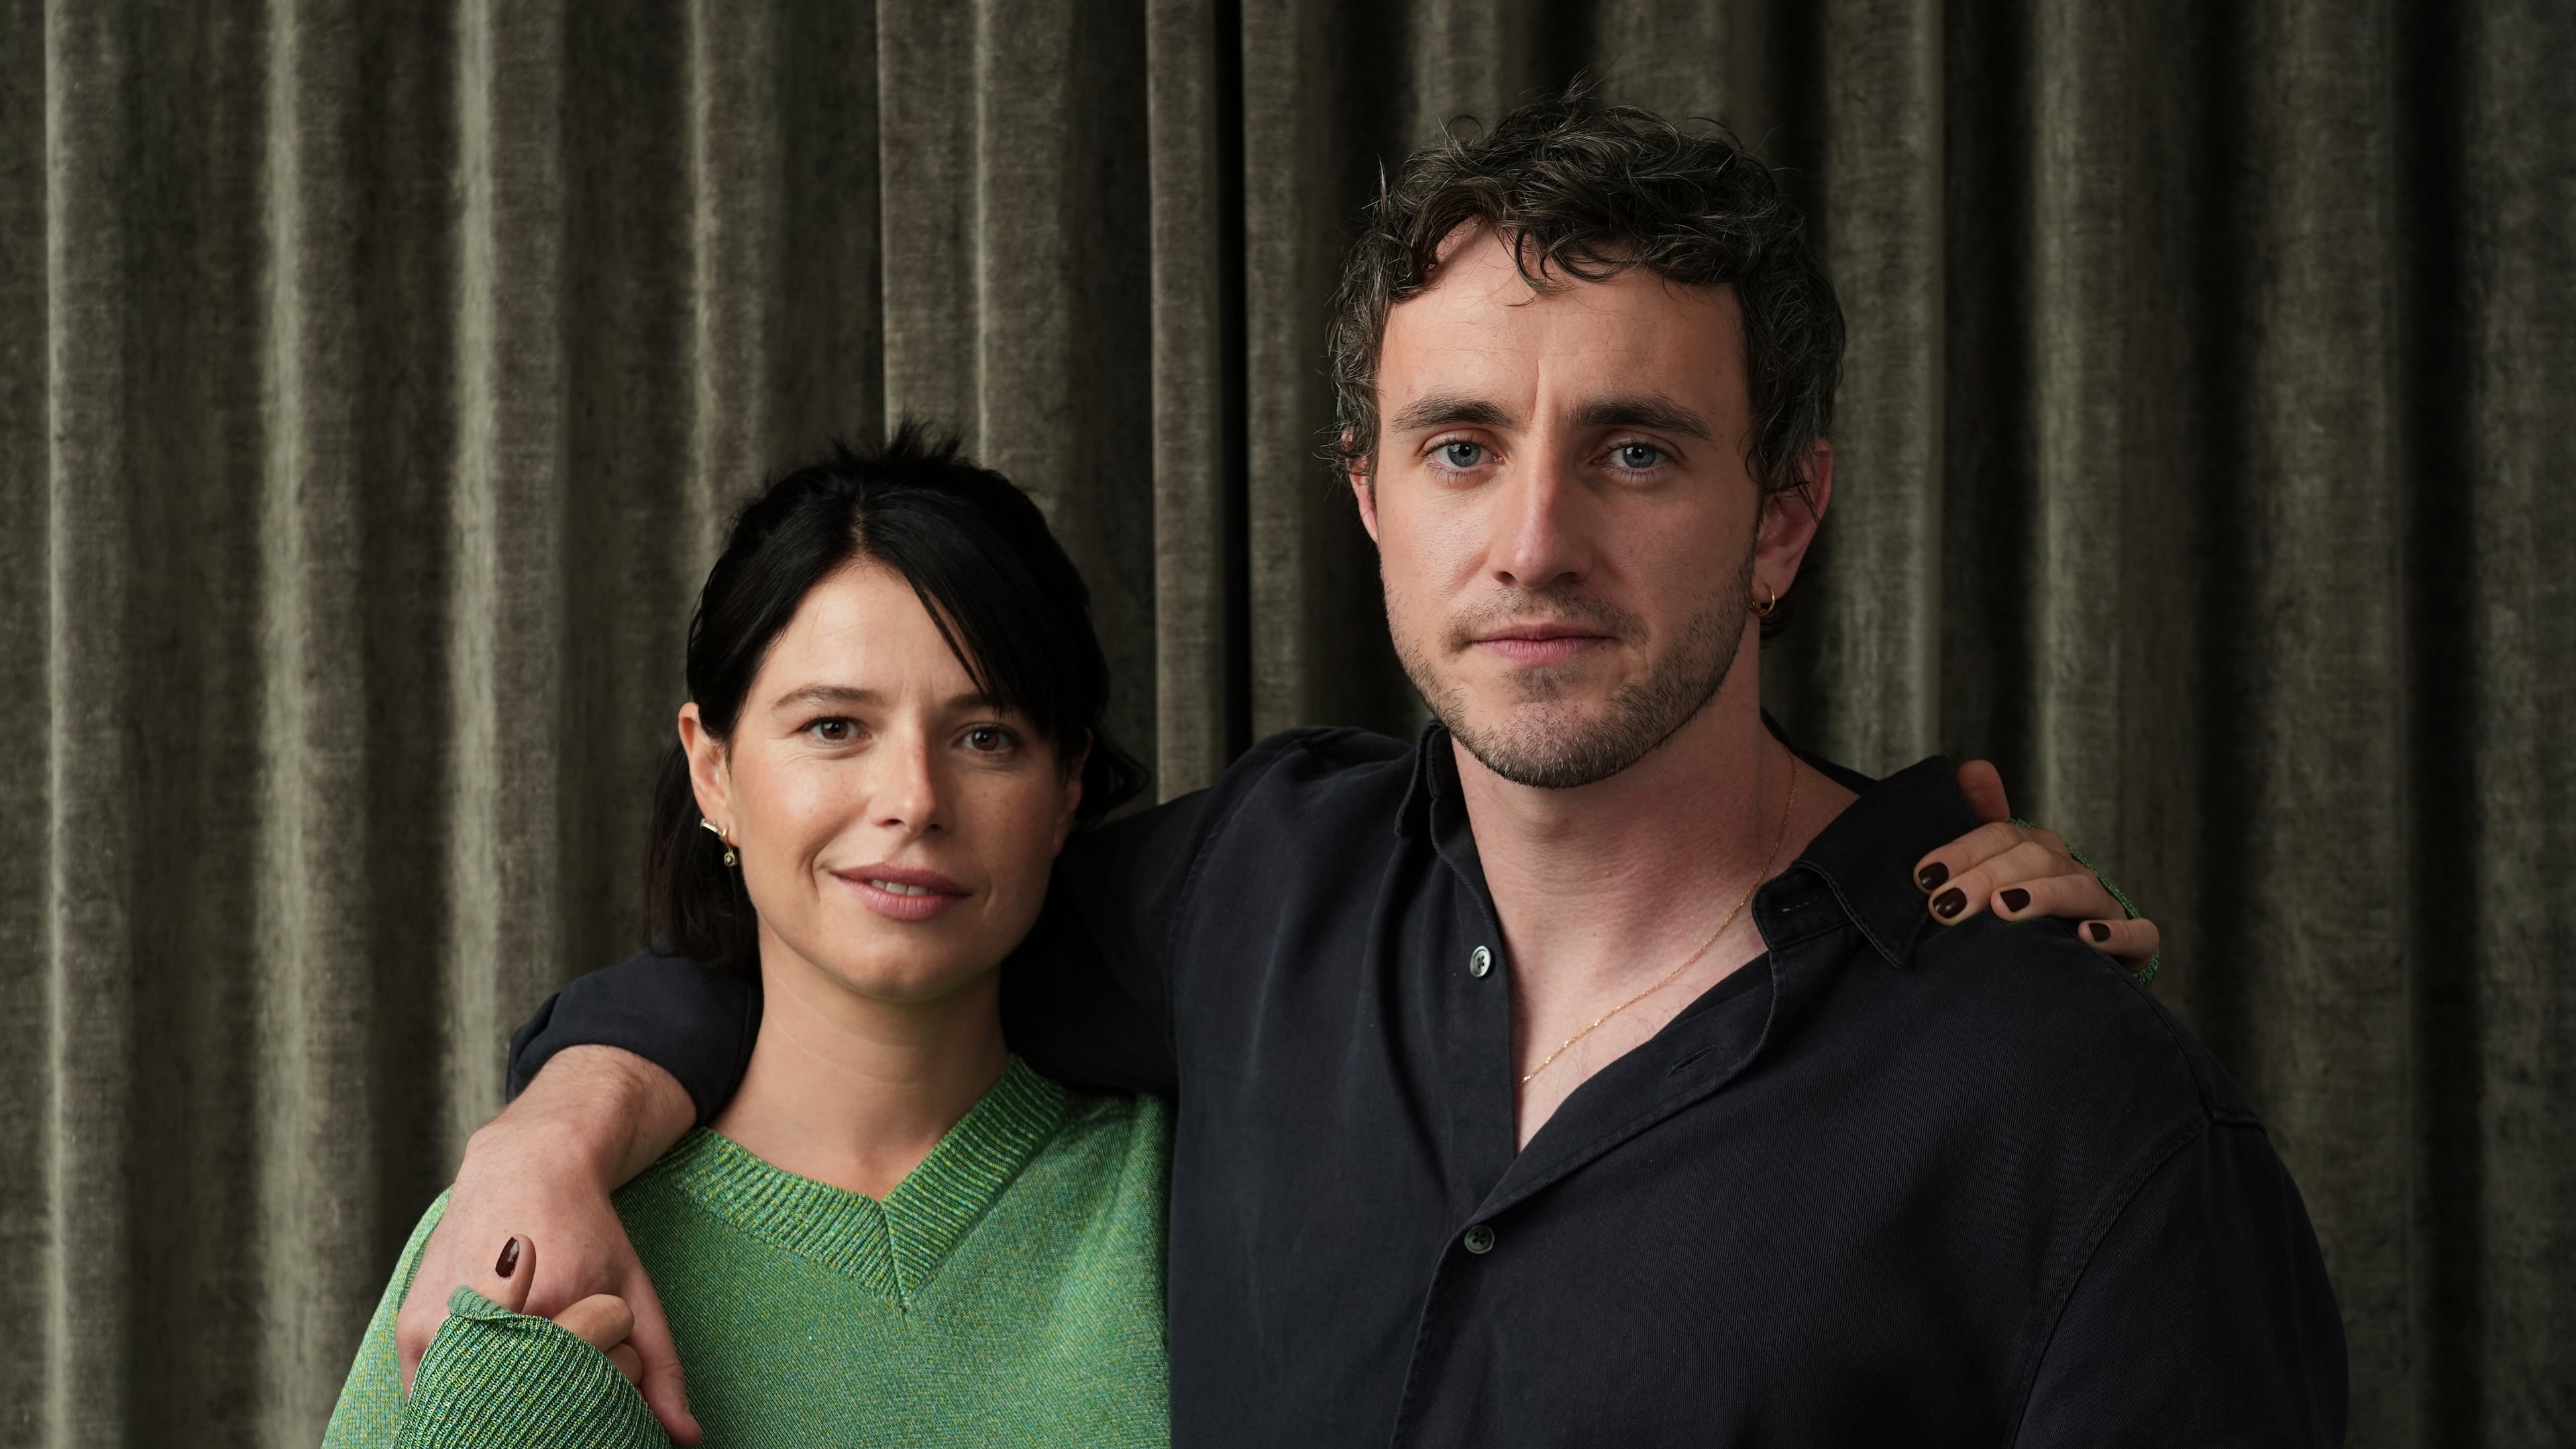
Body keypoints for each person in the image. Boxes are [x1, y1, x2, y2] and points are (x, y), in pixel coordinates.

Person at [398, 92, 2346, 1446]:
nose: (1534, 541)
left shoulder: (2081, 1117)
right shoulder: (1255, 893)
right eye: (1464, 446)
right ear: (1370, 504)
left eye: (1641, 450)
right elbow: (853, 927)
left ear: (1787, 516)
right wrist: (552, 1128)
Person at [323, 431, 1171, 1446]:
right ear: (713, 772)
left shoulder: (1190, 1194)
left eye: (986, 737)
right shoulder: (529, 1236)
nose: (913, 799)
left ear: (1066, 790)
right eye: (834, 727)